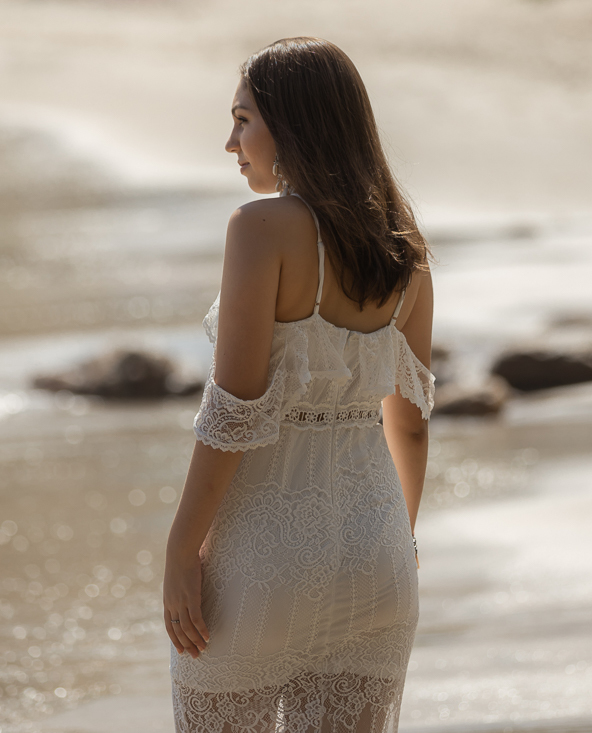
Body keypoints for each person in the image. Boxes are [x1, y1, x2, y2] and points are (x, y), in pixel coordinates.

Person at [164, 37, 435, 732]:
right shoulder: (404, 246)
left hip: (264, 557)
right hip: (378, 553)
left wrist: (179, 550)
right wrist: (395, 541)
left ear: (296, 124)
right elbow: (409, 421)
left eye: (243, 119)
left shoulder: (261, 228)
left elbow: (235, 411)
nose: (231, 141)